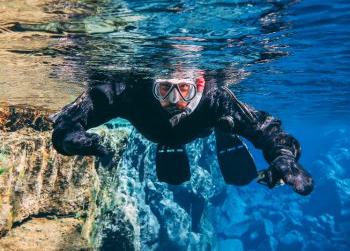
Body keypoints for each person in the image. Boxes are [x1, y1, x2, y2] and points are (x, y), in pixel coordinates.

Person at [50, 75, 314, 196]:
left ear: (199, 84)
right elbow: (74, 114)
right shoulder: (128, 91)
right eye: (164, 88)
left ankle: (225, 131)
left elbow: (268, 130)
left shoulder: (216, 98)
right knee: (218, 121)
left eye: (184, 89)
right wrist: (67, 139)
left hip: (203, 125)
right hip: (164, 133)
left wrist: (284, 157)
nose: (174, 100)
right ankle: (223, 129)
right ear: (151, 85)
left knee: (226, 121)